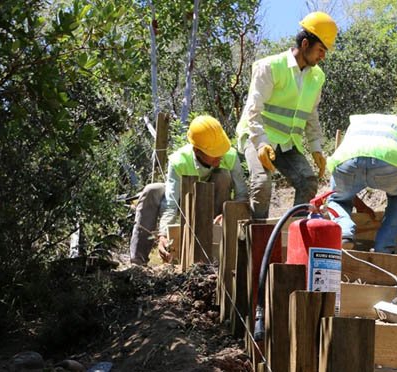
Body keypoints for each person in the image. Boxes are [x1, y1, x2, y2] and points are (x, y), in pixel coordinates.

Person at [235, 11, 338, 219]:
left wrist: (316, 147)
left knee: (308, 181)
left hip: (287, 143)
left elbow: (311, 115)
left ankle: (295, 236)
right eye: (320, 50)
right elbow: (253, 111)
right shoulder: (270, 67)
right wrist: (262, 142)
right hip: (258, 137)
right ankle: (259, 237)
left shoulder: (317, 77)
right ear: (306, 44)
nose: (323, 56)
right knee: (262, 184)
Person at [129, 115, 247, 265]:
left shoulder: (229, 155)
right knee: (151, 190)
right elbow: (171, 204)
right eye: (213, 153)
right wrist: (164, 234)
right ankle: (137, 262)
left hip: (215, 206)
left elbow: (242, 195)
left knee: (222, 175)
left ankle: (215, 249)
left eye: (220, 151)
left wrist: (228, 213)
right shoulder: (179, 161)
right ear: (197, 150)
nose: (219, 156)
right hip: (185, 199)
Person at [326, 114, 397, 253]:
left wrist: (358, 204)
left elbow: (344, 186)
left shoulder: (358, 123)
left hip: (348, 159)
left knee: (337, 199)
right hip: (390, 162)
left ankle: (344, 232)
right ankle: (383, 249)